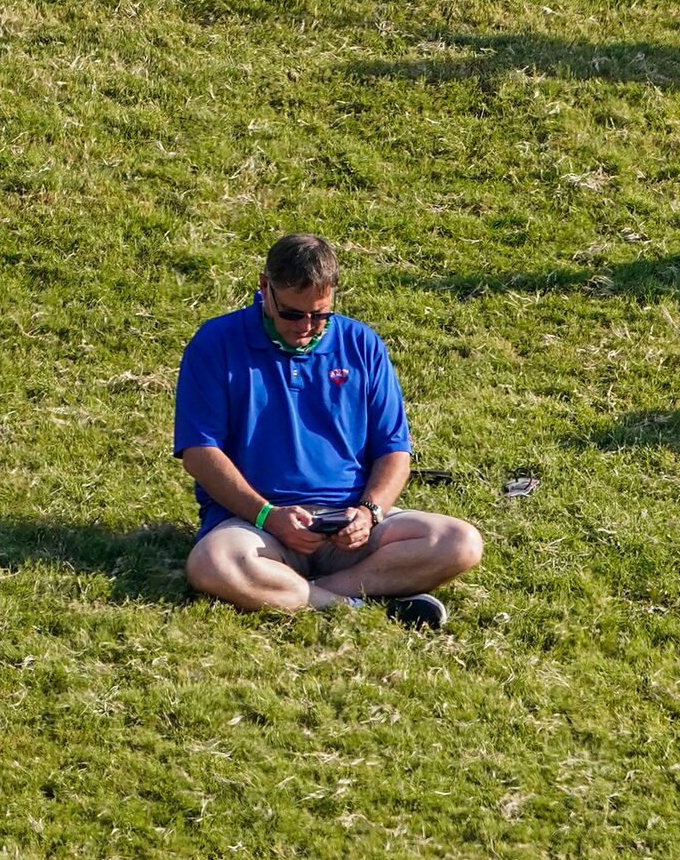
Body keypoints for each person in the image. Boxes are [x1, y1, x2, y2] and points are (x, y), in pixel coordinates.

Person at [173, 234, 484, 627]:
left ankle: (305, 592)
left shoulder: (362, 343)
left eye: (320, 315)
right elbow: (200, 453)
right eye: (292, 314)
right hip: (259, 528)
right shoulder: (215, 343)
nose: (306, 326)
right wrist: (268, 515)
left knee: (461, 542)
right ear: (264, 287)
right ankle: (350, 603)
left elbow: (394, 450)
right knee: (211, 563)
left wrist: (370, 513)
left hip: (350, 523)